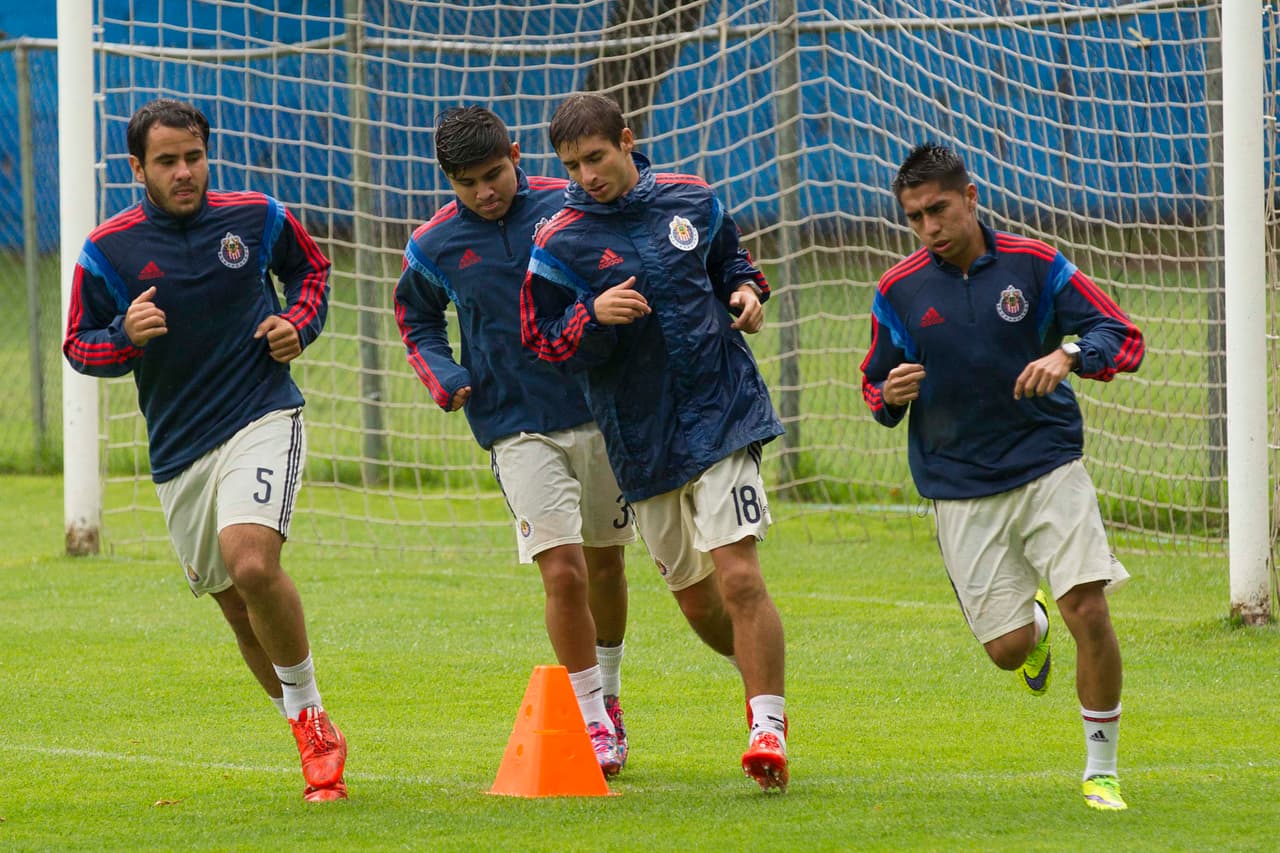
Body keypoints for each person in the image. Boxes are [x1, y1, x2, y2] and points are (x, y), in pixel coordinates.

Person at [63, 99, 347, 802]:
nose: (184, 172)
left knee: (251, 559)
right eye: (167, 161)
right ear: (138, 168)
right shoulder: (108, 250)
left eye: (193, 156)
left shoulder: (256, 216)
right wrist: (125, 334)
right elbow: (78, 343)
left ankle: (314, 720)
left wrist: (297, 325)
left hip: (261, 413)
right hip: (180, 449)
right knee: (233, 604)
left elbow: (312, 276)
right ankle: (301, 721)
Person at [861, 142, 1145, 811]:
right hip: (959, 482)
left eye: (938, 209)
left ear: (971, 198)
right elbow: (875, 389)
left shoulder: (1035, 264)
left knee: (1090, 608)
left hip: (1048, 462)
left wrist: (1069, 353)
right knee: (1008, 649)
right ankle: (1032, 627)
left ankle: (1101, 769)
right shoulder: (898, 289)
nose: (929, 226)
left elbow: (1121, 334)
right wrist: (892, 395)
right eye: (914, 217)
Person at [521, 92, 790, 792]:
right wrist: (592, 314)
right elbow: (541, 340)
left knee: (739, 574)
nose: (587, 176)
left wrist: (747, 296)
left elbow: (736, 267)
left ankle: (767, 725)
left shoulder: (694, 201)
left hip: (723, 412)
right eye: (572, 166)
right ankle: (762, 678)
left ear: (628, 140)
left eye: (597, 158)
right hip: (641, 440)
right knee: (701, 602)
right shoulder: (558, 240)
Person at [394, 106, 636, 776]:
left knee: (607, 563)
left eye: (494, 174)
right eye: (466, 182)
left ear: (518, 155)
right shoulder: (436, 244)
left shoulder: (571, 205)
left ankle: (610, 693)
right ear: (448, 179)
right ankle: (589, 720)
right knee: (563, 569)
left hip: (598, 407)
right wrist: (444, 372)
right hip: (514, 423)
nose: (484, 192)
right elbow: (415, 316)